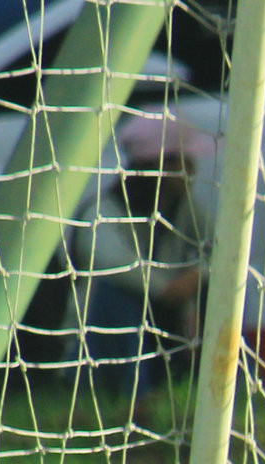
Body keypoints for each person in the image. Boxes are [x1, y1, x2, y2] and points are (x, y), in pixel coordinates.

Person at [80, 124, 209, 411]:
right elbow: (118, 268)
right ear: (155, 166)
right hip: (97, 346)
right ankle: (134, 398)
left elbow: (216, 251)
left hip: (169, 325)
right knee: (116, 293)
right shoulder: (101, 213)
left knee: (221, 288)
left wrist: (197, 280)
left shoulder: (184, 207)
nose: (192, 170)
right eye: (181, 161)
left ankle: (229, 386)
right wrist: (172, 290)